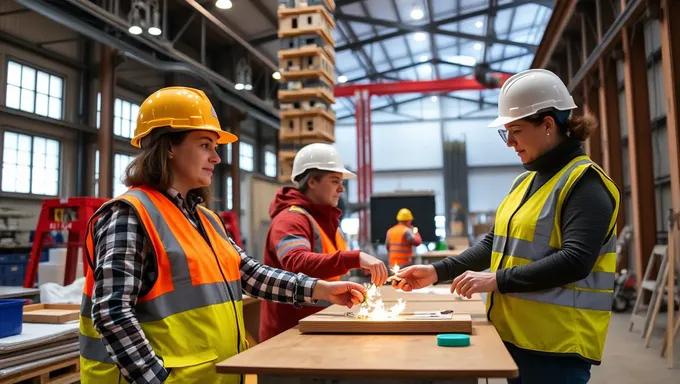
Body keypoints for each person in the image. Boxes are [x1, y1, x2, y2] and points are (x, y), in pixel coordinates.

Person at [78, 87, 367, 384]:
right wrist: (157, 380)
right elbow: (112, 313)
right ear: (168, 146)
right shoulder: (130, 214)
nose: (216, 158)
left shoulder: (205, 219)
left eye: (215, 147)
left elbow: (251, 275)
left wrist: (322, 290)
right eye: (205, 145)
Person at [392, 69, 620, 384]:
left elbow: (575, 261)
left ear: (548, 125)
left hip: (557, 347)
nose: (510, 142)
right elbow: (493, 245)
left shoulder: (586, 184)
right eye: (506, 132)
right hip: (516, 338)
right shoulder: (524, 182)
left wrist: (496, 280)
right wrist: (437, 272)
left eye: (516, 130)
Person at [259, 143, 388, 342]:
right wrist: (355, 257)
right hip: (289, 337)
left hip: (319, 326)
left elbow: (330, 268)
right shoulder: (290, 220)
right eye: (335, 180)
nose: (341, 188)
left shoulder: (326, 221)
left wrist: (359, 272)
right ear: (312, 181)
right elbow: (296, 262)